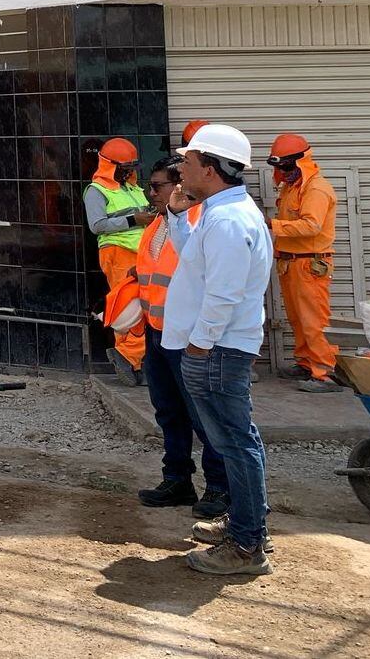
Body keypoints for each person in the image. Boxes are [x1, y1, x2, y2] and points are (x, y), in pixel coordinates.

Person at [165, 123, 273, 576]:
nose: (180, 169)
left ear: (209, 169)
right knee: (235, 441)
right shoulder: (219, 212)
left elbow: (223, 294)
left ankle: (247, 545)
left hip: (217, 350)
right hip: (217, 347)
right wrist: (176, 215)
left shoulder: (228, 221)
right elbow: (194, 262)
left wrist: (199, 345)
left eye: (188, 161)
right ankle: (247, 526)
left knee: (235, 443)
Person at [133, 158, 229, 518]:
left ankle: (219, 487)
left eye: (156, 186)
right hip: (157, 333)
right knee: (169, 412)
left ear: (177, 188)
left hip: (189, 338)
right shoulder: (158, 225)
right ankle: (177, 479)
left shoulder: (200, 224)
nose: (150, 193)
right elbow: (151, 274)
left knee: (204, 416)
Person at [265, 133, 343, 393]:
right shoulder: (292, 187)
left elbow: (312, 226)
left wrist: (272, 225)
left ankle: (325, 373)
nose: (283, 173)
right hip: (291, 263)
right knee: (298, 319)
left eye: (286, 167)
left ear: (300, 162)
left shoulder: (316, 188)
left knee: (314, 321)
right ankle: (307, 364)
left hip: (309, 264)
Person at [85, 137, 150, 380]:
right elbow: (97, 225)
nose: (130, 172)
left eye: (132, 167)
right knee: (129, 308)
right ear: (110, 166)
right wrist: (135, 220)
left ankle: (133, 360)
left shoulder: (132, 188)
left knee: (139, 309)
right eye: (126, 168)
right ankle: (129, 358)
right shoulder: (96, 190)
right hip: (118, 253)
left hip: (141, 254)